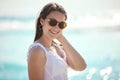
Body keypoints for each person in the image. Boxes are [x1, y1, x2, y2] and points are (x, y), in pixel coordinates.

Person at [27, 2, 87, 80]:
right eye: (52, 22)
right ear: (42, 21)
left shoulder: (58, 48)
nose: (56, 27)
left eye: (61, 24)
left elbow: (81, 66)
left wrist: (61, 37)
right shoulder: (38, 51)